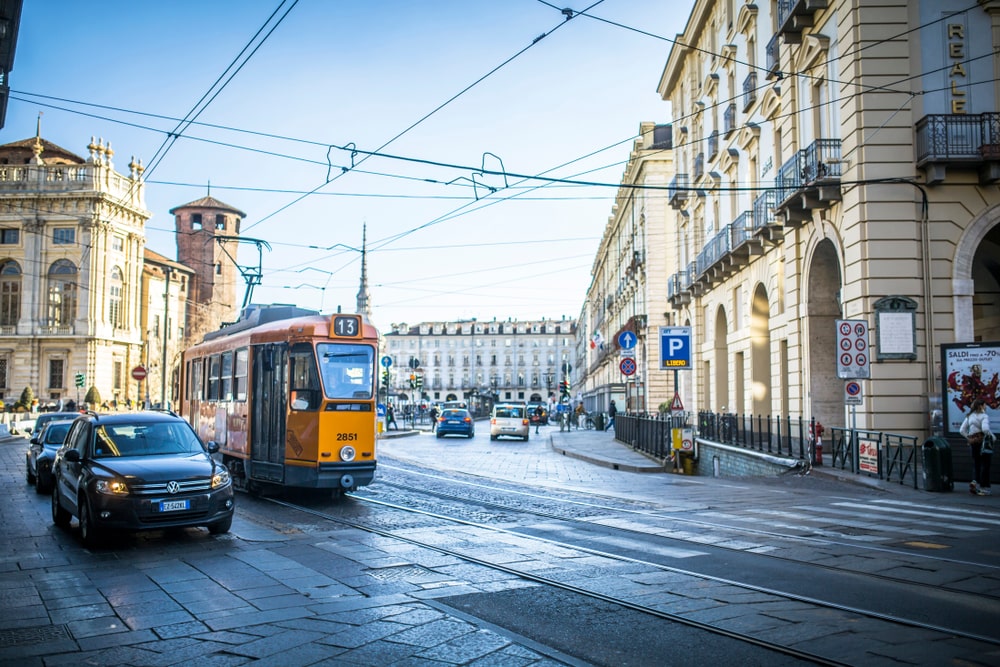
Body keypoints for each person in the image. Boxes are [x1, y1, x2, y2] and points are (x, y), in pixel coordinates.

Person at [960, 398, 993, 496]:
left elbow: (961, 430)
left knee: (976, 463)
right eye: (984, 405)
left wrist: (969, 438)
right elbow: (985, 429)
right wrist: (992, 437)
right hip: (983, 443)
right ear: (981, 406)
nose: (986, 406)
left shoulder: (969, 416)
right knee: (985, 465)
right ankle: (983, 488)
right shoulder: (984, 416)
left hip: (973, 443)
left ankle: (974, 482)